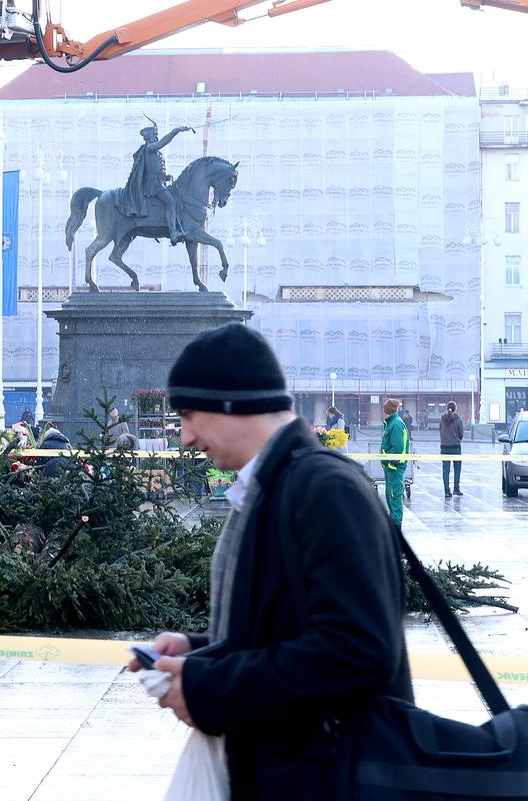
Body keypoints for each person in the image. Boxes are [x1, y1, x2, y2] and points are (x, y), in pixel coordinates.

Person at [128, 322, 412, 796]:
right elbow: (289, 629)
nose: (184, 437)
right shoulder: (275, 486)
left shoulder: (324, 489)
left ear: (231, 403)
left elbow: (358, 652)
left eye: (188, 415)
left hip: (328, 780)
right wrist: (200, 650)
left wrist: (208, 688)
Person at [121, 121, 194, 244]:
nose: (156, 138)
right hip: (153, 186)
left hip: (158, 183)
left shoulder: (155, 153)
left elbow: (154, 170)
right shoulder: (149, 148)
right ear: (149, 137)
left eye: (156, 135)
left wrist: (165, 177)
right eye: (154, 136)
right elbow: (163, 142)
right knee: (171, 202)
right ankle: (173, 232)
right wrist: (176, 131)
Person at [380, 398, 411, 525]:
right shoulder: (391, 423)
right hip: (390, 467)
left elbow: (398, 448)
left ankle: (397, 527)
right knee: (390, 496)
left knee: (394, 497)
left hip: (394, 467)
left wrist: (390, 462)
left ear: (386, 410)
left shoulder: (396, 424)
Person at [439, 401, 464, 498]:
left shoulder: (442, 419)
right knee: (457, 469)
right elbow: (461, 433)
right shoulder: (457, 420)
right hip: (455, 447)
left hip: (444, 448)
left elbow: (440, 430)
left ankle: (446, 490)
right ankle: (456, 488)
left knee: (446, 470)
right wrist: (457, 439)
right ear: (455, 409)